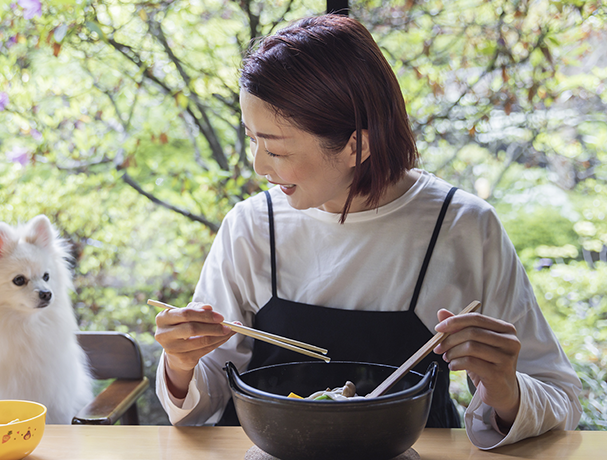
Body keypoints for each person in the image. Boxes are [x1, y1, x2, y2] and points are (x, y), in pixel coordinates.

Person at [153, 14, 582, 450]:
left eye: (277, 148)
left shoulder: (462, 226)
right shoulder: (250, 226)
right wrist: (181, 363)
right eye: (252, 139)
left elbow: (559, 396)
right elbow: (204, 402)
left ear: (357, 145)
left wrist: (505, 389)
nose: (259, 166)